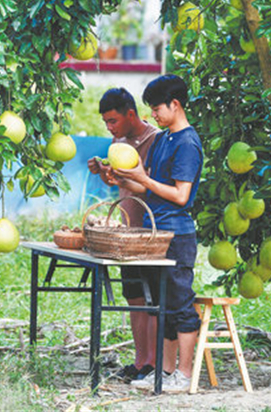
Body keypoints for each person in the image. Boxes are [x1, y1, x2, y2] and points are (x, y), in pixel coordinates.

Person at [110, 74, 203, 393]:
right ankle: (164, 372)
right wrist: (122, 178)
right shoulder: (164, 140)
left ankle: (185, 374)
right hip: (153, 233)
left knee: (179, 304)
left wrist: (142, 179)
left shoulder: (188, 142)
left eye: (156, 108)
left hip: (175, 236)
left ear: (175, 105)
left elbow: (179, 195)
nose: (152, 115)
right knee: (161, 305)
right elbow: (147, 185)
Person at [87, 88, 161, 383]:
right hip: (125, 231)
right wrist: (104, 173)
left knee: (153, 298)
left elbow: (153, 184)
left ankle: (154, 363)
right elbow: (120, 182)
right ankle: (140, 360)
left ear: (131, 114)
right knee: (133, 297)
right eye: (106, 122)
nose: (109, 128)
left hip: (150, 233)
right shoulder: (118, 142)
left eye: (113, 121)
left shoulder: (155, 140)